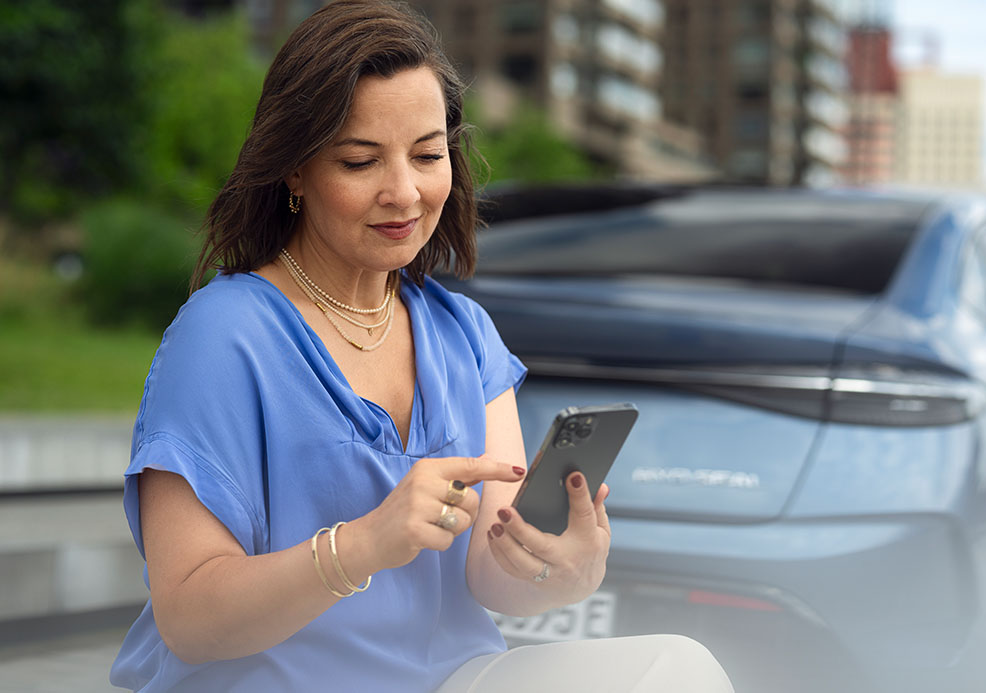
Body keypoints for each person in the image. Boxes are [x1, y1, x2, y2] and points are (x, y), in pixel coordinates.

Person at [110, 2, 734, 691]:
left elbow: (493, 575)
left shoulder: (463, 336)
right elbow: (190, 618)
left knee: (676, 667)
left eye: (427, 154)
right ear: (293, 170)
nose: (404, 192)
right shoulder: (223, 335)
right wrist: (366, 543)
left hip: (449, 678)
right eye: (359, 160)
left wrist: (563, 567)